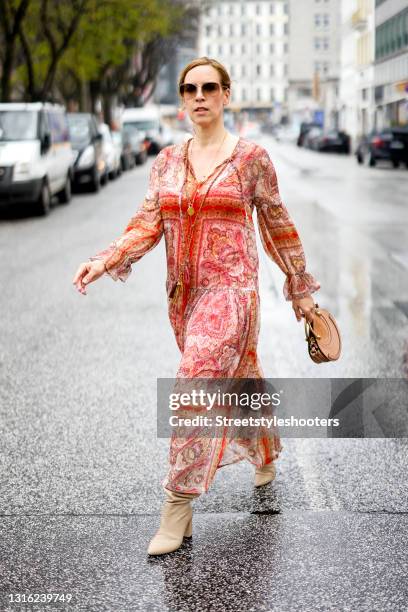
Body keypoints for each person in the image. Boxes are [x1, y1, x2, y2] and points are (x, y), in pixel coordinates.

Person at [72, 57, 321, 556]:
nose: (199, 96)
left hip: (234, 293)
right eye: (190, 88)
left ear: (226, 95)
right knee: (241, 374)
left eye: (210, 87)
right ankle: (266, 449)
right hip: (185, 297)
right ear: (182, 98)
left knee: (195, 383)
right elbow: (147, 223)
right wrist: (107, 260)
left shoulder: (251, 159)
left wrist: (301, 288)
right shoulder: (166, 161)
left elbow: (277, 225)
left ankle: (176, 508)